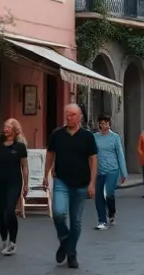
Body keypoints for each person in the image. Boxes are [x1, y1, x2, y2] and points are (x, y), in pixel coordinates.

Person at [43, 103, 97, 270]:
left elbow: (93, 160)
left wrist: (92, 184)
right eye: (67, 114)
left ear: (80, 116)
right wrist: (45, 175)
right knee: (58, 213)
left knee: (76, 221)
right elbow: (50, 154)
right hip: (61, 181)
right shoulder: (57, 135)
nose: (68, 117)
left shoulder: (87, 136)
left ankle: (71, 253)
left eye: (72, 115)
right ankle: (65, 239)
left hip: (81, 184)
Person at [0, 118, 29, 255]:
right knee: (0, 213)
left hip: (14, 183)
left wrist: (26, 184)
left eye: (8, 127)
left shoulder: (20, 147)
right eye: (4, 126)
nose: (5, 129)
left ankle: (13, 242)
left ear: (15, 129)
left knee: (9, 211)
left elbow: (24, 166)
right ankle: (4, 240)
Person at [92, 115, 128, 229]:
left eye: (106, 123)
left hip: (112, 169)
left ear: (109, 124)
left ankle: (111, 212)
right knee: (98, 196)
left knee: (108, 193)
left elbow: (120, 155)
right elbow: (91, 155)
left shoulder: (115, 137)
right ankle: (102, 221)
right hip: (99, 170)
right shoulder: (95, 137)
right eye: (101, 124)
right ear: (99, 125)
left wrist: (123, 173)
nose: (103, 126)